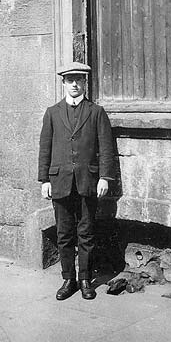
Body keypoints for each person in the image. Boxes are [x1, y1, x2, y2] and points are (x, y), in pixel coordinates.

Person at [38, 62, 115, 301]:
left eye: (78, 80)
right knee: (64, 233)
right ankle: (68, 279)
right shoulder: (52, 112)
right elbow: (45, 148)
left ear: (84, 83)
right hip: (59, 180)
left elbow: (106, 147)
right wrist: (44, 180)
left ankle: (85, 279)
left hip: (87, 181)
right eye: (69, 80)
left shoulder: (96, 112)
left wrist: (104, 177)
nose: (74, 84)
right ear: (63, 83)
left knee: (87, 232)